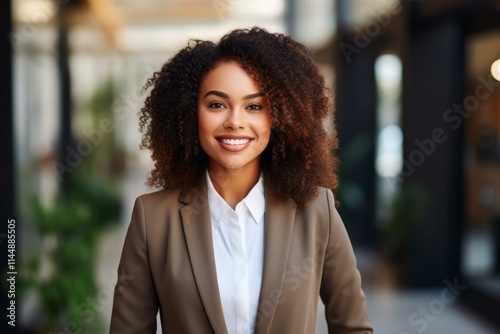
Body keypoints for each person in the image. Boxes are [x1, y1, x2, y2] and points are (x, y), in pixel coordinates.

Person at [110, 27, 373, 334]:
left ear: (278, 117)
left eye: (254, 106)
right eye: (217, 104)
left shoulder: (317, 211)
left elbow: (353, 328)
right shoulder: (153, 219)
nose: (235, 121)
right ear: (189, 113)